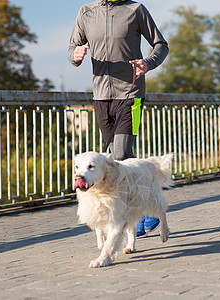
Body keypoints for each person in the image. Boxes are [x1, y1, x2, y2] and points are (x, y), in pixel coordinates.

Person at [68, 0, 168, 238]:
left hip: (131, 93)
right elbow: (72, 48)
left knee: (121, 153)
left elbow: (160, 45)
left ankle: (142, 211)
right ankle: (139, 204)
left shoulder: (136, 10)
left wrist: (148, 63)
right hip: (101, 96)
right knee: (114, 159)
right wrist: (76, 55)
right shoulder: (86, 12)